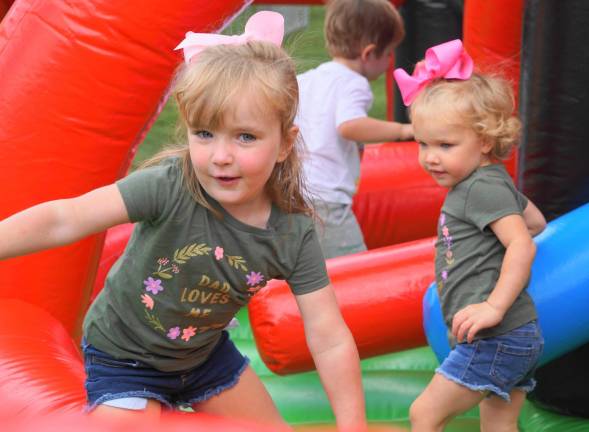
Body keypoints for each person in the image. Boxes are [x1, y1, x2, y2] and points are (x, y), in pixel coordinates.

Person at [0, 12, 367, 431]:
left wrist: (351, 424)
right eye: (205, 134)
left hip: (203, 356)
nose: (221, 156)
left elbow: (328, 335)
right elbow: (65, 218)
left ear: (284, 143)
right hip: (124, 355)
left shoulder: (289, 232)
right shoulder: (171, 186)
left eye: (245, 137)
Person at [394, 40, 546, 432]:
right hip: (515, 336)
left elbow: (522, 242)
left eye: (445, 145)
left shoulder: (480, 188)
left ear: (484, 141)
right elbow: (536, 222)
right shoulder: (492, 183)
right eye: (423, 144)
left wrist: (493, 306)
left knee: (423, 414)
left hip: (496, 333)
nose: (431, 156)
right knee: (498, 425)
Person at [295, 0, 413, 259]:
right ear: (369, 53)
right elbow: (349, 125)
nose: (390, 60)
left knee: (307, 268)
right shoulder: (354, 83)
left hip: (295, 192)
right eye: (389, 53)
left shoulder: (308, 79)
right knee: (352, 265)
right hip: (327, 199)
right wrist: (402, 131)